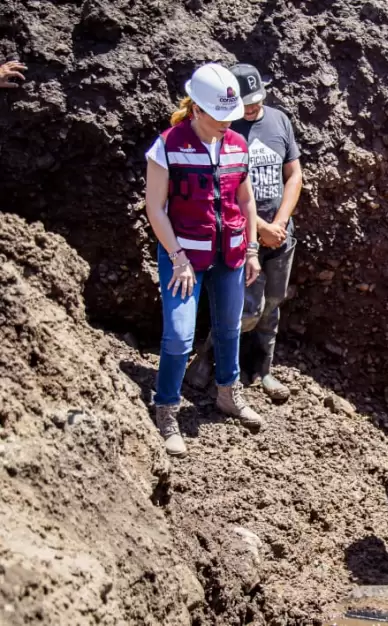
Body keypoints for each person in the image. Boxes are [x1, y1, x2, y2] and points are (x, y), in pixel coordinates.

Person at [144, 62, 264, 457]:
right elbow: (155, 209)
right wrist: (176, 257)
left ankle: (228, 394)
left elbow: (245, 200)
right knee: (178, 336)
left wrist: (250, 249)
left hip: (228, 253)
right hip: (185, 257)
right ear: (196, 108)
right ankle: (166, 408)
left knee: (230, 326)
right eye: (220, 116)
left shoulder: (236, 144)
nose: (227, 123)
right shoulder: (168, 145)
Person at [185, 62, 303, 403]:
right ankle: (207, 357)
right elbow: (219, 188)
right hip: (241, 235)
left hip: (280, 236)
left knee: (274, 304)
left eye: (257, 99)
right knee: (244, 309)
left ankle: (263, 368)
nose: (252, 107)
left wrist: (279, 224)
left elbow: (294, 176)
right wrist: (260, 229)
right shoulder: (224, 128)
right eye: (245, 101)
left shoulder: (280, 120)